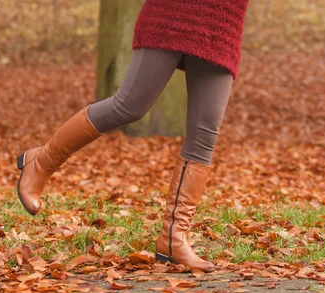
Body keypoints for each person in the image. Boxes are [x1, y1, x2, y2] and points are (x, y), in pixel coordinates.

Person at [15, 0, 250, 272]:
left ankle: (173, 239)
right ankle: (41, 161)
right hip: (174, 12)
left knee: (205, 133)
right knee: (129, 105)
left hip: (223, 22)